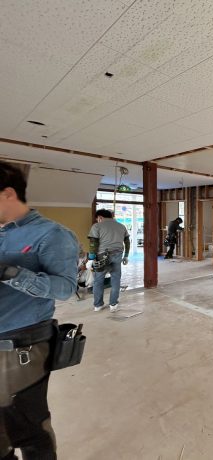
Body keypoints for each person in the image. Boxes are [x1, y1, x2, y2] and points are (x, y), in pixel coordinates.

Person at [0, 160, 79, 459]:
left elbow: (66, 288)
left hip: (20, 344)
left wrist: (11, 273)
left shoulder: (51, 234)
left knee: (27, 426)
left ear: (8, 193)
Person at [88, 209, 130, 312]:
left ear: (100, 217)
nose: (97, 220)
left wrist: (91, 258)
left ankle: (98, 305)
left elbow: (93, 243)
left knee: (98, 281)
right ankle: (113, 304)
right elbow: (127, 241)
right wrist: (126, 256)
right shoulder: (121, 226)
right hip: (118, 255)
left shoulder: (97, 226)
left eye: (97, 219)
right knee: (116, 280)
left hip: (102, 256)